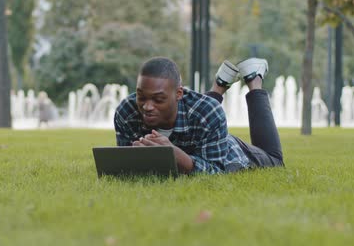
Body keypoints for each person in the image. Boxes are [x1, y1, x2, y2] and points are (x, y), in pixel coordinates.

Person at [114, 56, 283, 174]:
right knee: (199, 110)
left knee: (275, 161)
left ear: (178, 94)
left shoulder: (209, 113)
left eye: (158, 99)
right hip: (199, 130)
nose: (147, 106)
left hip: (226, 149)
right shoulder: (126, 112)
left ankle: (254, 79)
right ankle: (220, 84)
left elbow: (216, 170)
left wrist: (174, 154)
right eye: (141, 97)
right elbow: (125, 167)